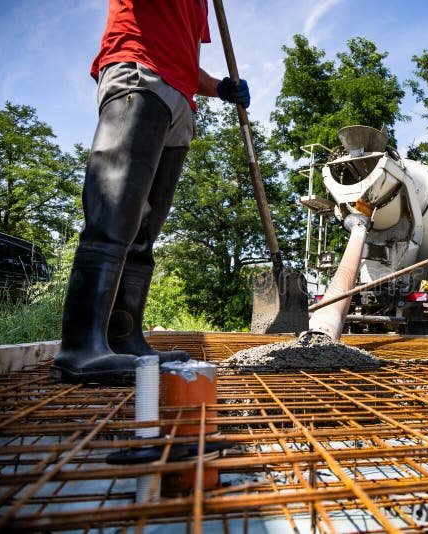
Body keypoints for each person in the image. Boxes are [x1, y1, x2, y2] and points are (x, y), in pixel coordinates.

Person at [51, 0, 251, 383]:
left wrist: (221, 88)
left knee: (144, 231)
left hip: (179, 101)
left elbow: (181, 53)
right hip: (139, 75)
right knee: (115, 209)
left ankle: (124, 339)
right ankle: (80, 348)